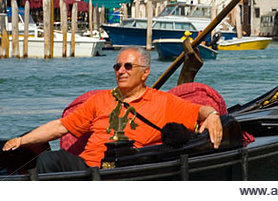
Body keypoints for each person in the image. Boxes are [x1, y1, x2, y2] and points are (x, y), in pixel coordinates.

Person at [2, 47, 223, 172]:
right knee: (50, 160)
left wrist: (212, 116)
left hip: (127, 171)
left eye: (128, 66)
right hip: (87, 168)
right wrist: (22, 141)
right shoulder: (100, 100)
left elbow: (199, 111)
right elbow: (61, 126)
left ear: (145, 73)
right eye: (117, 66)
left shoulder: (163, 101)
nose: (121, 71)